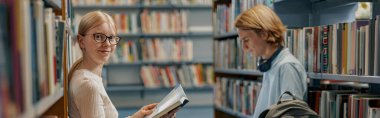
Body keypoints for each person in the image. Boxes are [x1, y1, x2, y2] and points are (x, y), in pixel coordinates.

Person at [68, 11, 177, 118]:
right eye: (98, 37)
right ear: (81, 41)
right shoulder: (88, 86)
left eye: (111, 38)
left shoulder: (89, 76)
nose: (107, 44)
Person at [234, 4, 307, 118]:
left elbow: (291, 115)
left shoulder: (287, 67)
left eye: (246, 40)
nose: (244, 48)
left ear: (264, 34)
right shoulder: (270, 64)